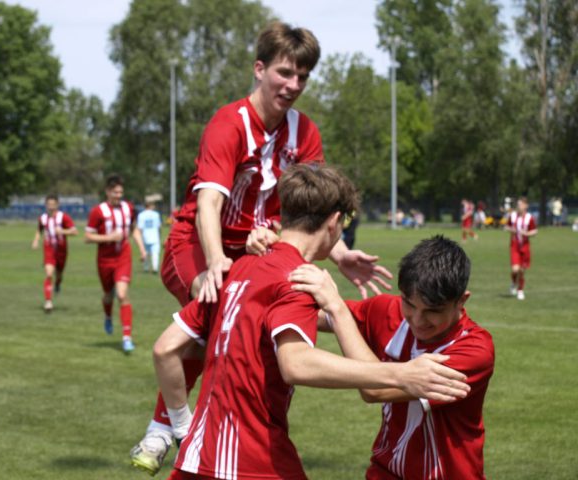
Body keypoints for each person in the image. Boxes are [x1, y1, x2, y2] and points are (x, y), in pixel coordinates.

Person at [132, 21, 393, 468]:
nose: (293, 85)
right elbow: (209, 202)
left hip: (254, 252)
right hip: (195, 244)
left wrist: (341, 253)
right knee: (217, 307)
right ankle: (169, 426)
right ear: (259, 69)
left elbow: (313, 207)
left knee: (244, 328)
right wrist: (217, 261)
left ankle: (196, 430)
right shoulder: (229, 124)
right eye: (284, 73)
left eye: (302, 77)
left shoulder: (304, 132)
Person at [147, 165, 469, 480]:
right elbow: (296, 364)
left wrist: (181, 425)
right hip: (251, 460)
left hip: (196, 458)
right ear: (334, 222)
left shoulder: (238, 268)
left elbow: (165, 349)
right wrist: (401, 373)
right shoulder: (297, 278)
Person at [290, 235, 495, 479]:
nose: (417, 320)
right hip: (385, 471)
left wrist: (337, 309)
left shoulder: (474, 350)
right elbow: (316, 317)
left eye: (433, 311)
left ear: (462, 300)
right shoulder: (388, 311)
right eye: (409, 304)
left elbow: (375, 391)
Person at [85, 174, 146, 353]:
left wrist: (142, 249)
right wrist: (109, 237)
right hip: (104, 259)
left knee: (121, 294)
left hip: (123, 257)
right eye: (115, 192)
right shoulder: (98, 211)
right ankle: (108, 316)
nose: (118, 195)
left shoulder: (129, 208)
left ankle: (127, 338)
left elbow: (134, 230)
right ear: (107, 192)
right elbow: (87, 237)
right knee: (108, 295)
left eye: (120, 192)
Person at [31, 195, 77, 312]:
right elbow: (39, 230)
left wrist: (62, 231)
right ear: (46, 205)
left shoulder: (63, 217)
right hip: (49, 248)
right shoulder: (42, 218)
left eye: (53, 204)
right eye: (49, 204)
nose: (51, 207)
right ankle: (48, 302)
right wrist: (36, 240)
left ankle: (57, 284)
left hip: (61, 250)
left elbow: (74, 231)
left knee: (59, 275)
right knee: (49, 273)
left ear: (57, 205)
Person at [505, 196, 537, 300]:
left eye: (521, 204)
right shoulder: (513, 216)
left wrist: (526, 233)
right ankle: (513, 282)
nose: (519, 206)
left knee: (522, 270)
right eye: (518, 204)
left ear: (526, 206)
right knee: (515, 269)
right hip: (514, 246)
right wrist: (511, 230)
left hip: (525, 246)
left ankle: (520, 290)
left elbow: (535, 231)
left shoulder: (529, 217)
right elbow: (506, 226)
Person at [136, 196, 162, 274]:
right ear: (151, 206)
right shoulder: (156, 214)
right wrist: (159, 235)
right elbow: (159, 226)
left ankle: (146, 268)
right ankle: (155, 268)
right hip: (154, 236)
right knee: (155, 253)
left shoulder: (141, 215)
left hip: (145, 236)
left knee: (146, 252)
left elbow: (140, 228)